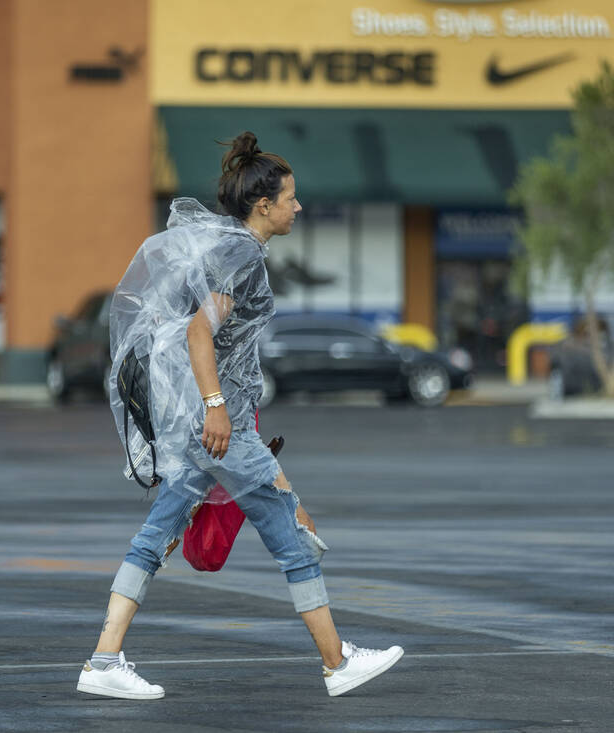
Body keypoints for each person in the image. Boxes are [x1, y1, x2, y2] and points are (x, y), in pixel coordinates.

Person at [75, 132, 403, 700]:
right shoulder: (243, 254)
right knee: (292, 537)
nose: (298, 207)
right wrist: (218, 409)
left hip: (212, 427)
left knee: (157, 536)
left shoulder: (229, 247)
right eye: (291, 198)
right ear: (264, 205)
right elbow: (201, 333)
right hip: (216, 428)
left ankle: (104, 659)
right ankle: (337, 662)